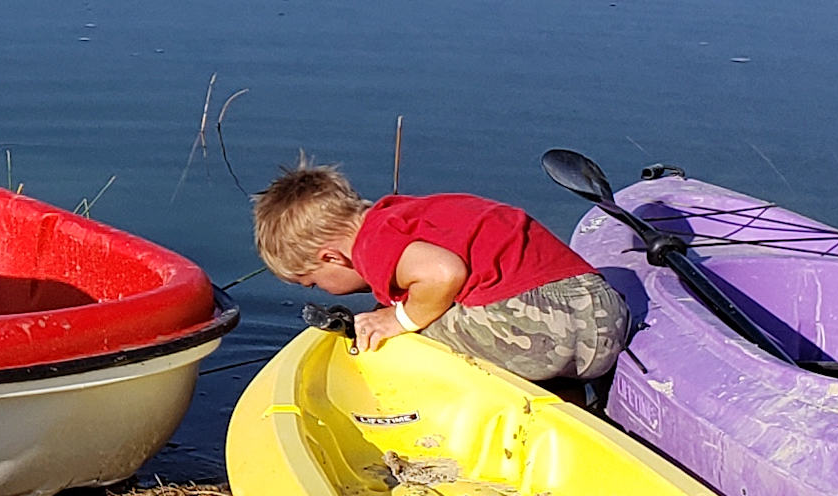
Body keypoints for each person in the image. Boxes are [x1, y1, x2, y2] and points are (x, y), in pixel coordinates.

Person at [252, 163, 627, 384]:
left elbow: (443, 274)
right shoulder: (408, 216)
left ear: (332, 256)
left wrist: (396, 320)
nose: (322, 291)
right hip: (602, 313)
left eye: (313, 282)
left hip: (546, 327)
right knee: (424, 307)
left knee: (403, 331)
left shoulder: (371, 245)